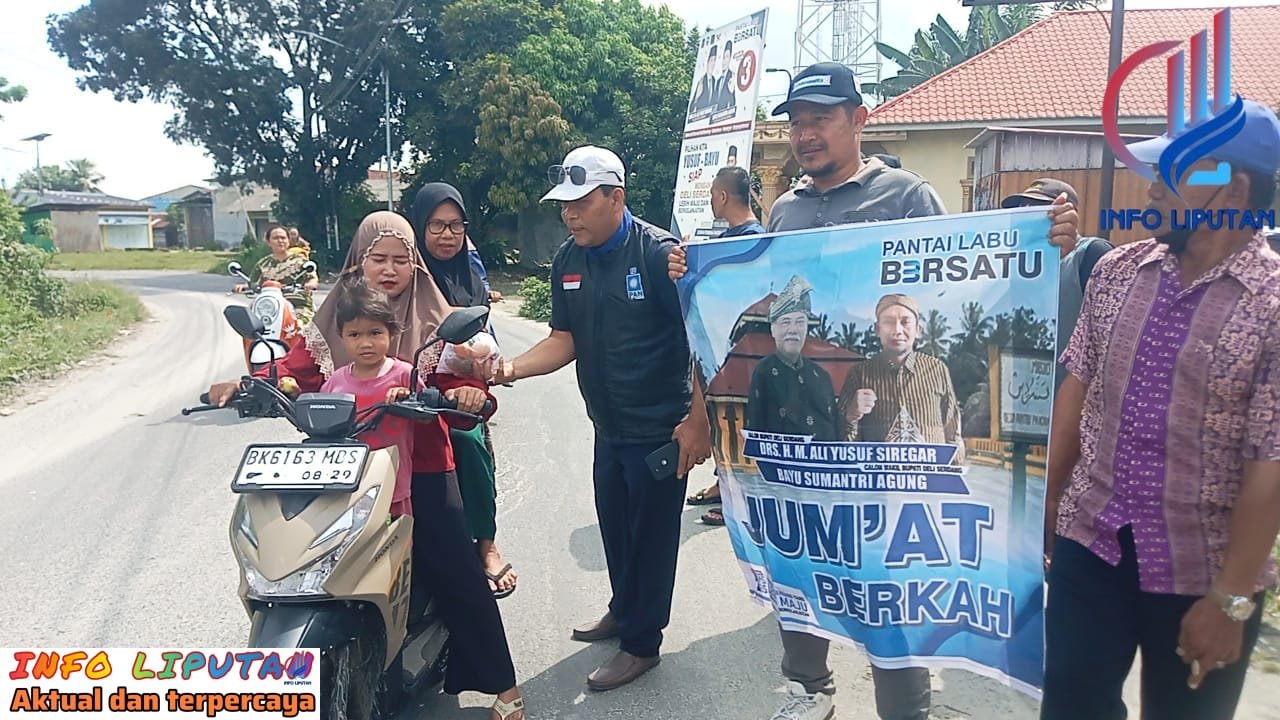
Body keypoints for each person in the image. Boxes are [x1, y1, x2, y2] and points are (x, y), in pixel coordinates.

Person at [668, 61, 1080, 720]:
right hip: (808, 443)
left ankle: (904, 711)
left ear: (859, 120)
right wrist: (695, 276)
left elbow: (965, 283)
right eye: (797, 122)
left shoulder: (907, 197)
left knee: (891, 588)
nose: (805, 134)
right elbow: (751, 303)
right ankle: (809, 693)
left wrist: (1042, 246)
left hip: (887, 446)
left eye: (821, 119)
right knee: (800, 562)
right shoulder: (787, 209)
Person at [207, 211, 525, 720]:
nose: (390, 269)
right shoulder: (336, 317)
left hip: (420, 467)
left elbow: (460, 374)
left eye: (402, 260)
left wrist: (466, 391)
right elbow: (291, 370)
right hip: (343, 465)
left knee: (454, 569)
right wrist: (247, 384)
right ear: (359, 262)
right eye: (379, 258)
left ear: (415, 266)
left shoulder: (433, 320)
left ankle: (505, 690)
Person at [1041, 99, 1280, 720]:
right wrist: (1047, 510)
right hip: (1092, 548)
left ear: (1232, 191)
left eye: (1174, 174)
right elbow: (1076, 390)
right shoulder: (1119, 272)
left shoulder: (1273, 306)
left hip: (1203, 571)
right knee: (1071, 708)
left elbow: (1270, 466)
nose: (1152, 187)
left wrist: (1228, 602)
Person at [493, 145, 713, 691]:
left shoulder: (659, 255)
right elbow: (562, 339)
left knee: (652, 539)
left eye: (580, 202)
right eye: (563, 206)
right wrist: (509, 369)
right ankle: (623, 610)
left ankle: (642, 644)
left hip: (662, 429)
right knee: (615, 528)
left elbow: (705, 341)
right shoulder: (569, 259)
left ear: (617, 198)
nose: (569, 214)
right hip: (608, 427)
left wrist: (699, 421)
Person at [409, 182, 517, 599]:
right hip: (400, 387)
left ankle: (486, 544)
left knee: (468, 442)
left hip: (455, 392)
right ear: (419, 227)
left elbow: (480, 347)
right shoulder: (404, 271)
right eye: (436, 225)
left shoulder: (471, 279)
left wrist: (473, 385)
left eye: (455, 226)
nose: (446, 235)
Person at [687, 166, 767, 524]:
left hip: (746, 355)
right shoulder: (732, 239)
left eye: (711, 195)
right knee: (724, 424)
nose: (710, 202)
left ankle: (742, 500)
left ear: (722, 197)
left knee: (740, 428)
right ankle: (724, 484)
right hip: (723, 351)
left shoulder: (751, 241)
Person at [311, 281, 418, 517]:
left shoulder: (403, 375)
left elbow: (425, 409)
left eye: (375, 332)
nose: (366, 343)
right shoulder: (335, 382)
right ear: (341, 337)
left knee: (394, 547)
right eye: (355, 334)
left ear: (392, 332)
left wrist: (407, 398)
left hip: (393, 484)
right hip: (344, 486)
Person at [1000, 178, 1113, 389]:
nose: (1027, 214)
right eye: (1022, 209)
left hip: (1074, 403)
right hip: (1020, 394)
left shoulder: (1091, 254)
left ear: (1068, 215)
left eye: (1038, 209)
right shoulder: (1010, 264)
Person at [837, 293, 963, 460]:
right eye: (889, 322)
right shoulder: (860, 374)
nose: (897, 330)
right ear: (877, 329)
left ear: (918, 330)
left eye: (905, 322)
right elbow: (841, 444)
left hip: (928, 481)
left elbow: (953, 433)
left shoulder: (937, 370)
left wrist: (952, 478)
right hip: (878, 481)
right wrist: (851, 415)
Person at [745, 274, 840, 440]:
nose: (793, 330)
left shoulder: (821, 376)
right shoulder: (763, 372)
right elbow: (756, 432)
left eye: (800, 322)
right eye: (786, 322)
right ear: (773, 329)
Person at [234, 225, 319, 325]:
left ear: (288, 241)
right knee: (251, 325)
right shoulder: (263, 264)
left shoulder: (300, 261)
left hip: (297, 306)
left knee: (299, 327)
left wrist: (310, 284)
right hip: (269, 307)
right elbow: (252, 283)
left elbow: (313, 279)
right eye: (276, 238)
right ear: (268, 242)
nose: (280, 241)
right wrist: (242, 287)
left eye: (283, 238)